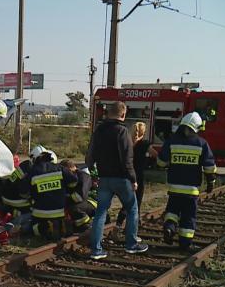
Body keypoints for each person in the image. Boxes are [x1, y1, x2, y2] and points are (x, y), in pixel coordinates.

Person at [86, 101, 149, 259]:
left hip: (104, 178)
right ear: (123, 114)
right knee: (132, 208)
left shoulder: (99, 130)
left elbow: (90, 155)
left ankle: (96, 250)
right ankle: (131, 244)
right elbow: (127, 159)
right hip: (121, 179)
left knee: (101, 212)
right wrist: (133, 178)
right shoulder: (122, 131)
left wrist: (94, 174)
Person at [158, 112, 217, 251]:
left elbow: (161, 162)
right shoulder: (202, 143)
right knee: (188, 217)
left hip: (174, 188)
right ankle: (184, 243)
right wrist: (210, 183)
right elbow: (209, 166)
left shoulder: (172, 141)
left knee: (172, 211)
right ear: (197, 127)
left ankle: (169, 228)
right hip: (191, 191)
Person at [20, 146, 76, 240]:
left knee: (31, 228)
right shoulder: (60, 168)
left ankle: (42, 230)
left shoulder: (32, 172)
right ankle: (57, 228)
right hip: (59, 212)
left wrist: (31, 197)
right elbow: (73, 181)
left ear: (35, 159)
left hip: (39, 213)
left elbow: (23, 192)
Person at [115, 121, 157, 229]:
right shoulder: (144, 144)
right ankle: (134, 225)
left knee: (127, 200)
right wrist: (148, 162)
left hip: (126, 174)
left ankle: (119, 223)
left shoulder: (128, 142)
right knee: (136, 201)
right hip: (138, 175)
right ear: (144, 132)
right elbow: (155, 155)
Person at [61, 159, 96, 233]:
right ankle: (76, 227)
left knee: (74, 208)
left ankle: (87, 225)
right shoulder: (70, 177)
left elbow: (79, 196)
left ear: (69, 169)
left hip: (91, 203)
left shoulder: (84, 176)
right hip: (78, 203)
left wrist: (64, 199)